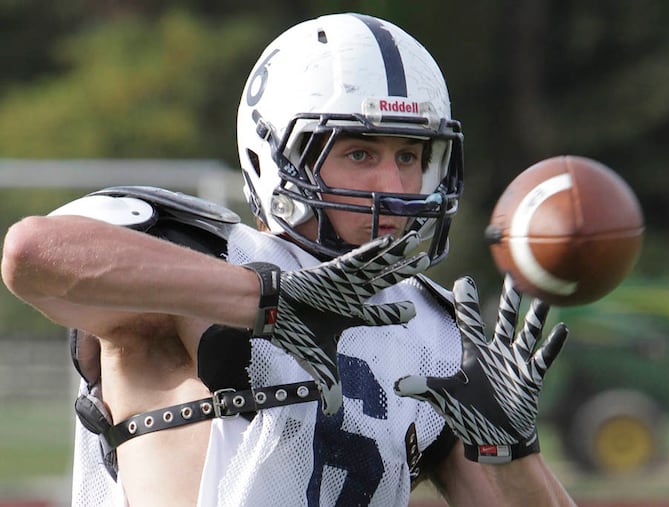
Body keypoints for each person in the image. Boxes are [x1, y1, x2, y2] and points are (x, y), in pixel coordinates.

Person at [1, 12, 576, 507]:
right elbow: (32, 253)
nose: (394, 185)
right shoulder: (208, 257)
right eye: (359, 152)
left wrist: (511, 450)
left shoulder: (434, 331)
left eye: (410, 155)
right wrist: (271, 301)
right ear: (277, 156)